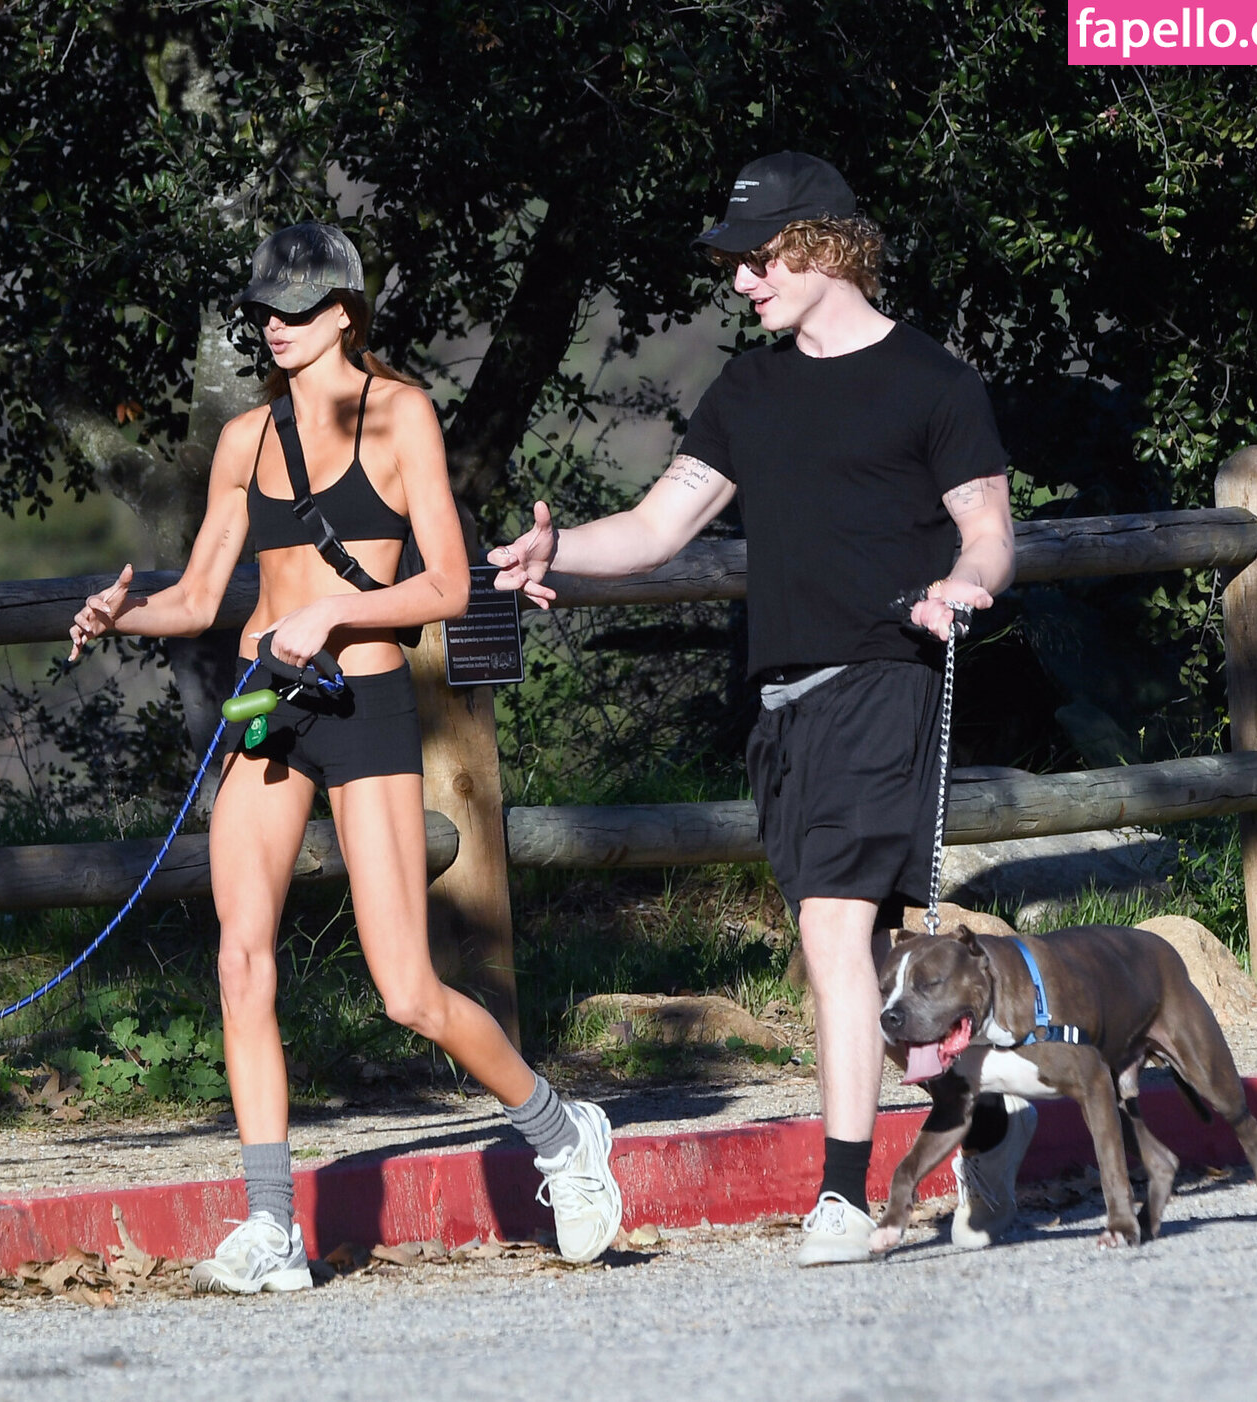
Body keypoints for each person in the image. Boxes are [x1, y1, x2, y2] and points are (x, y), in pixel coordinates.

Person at [488, 154, 1024, 1266]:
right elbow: (656, 528)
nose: (743, 280)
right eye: (736, 261)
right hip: (781, 710)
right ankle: (985, 1116)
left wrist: (962, 584)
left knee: (830, 928)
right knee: (865, 953)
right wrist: (557, 550)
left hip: (884, 678)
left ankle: (841, 1198)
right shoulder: (749, 391)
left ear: (827, 245)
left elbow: (988, 531)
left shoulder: (933, 382)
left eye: (762, 256)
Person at [70, 224, 623, 1293]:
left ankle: (562, 1132)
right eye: (264, 311)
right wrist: (121, 612)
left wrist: (334, 611)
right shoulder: (246, 438)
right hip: (269, 705)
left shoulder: (400, 414)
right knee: (241, 958)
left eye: (296, 308)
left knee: (406, 987)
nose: (275, 326)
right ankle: (272, 1225)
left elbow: (449, 585)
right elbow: (199, 595)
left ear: (344, 314)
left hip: (363, 699)